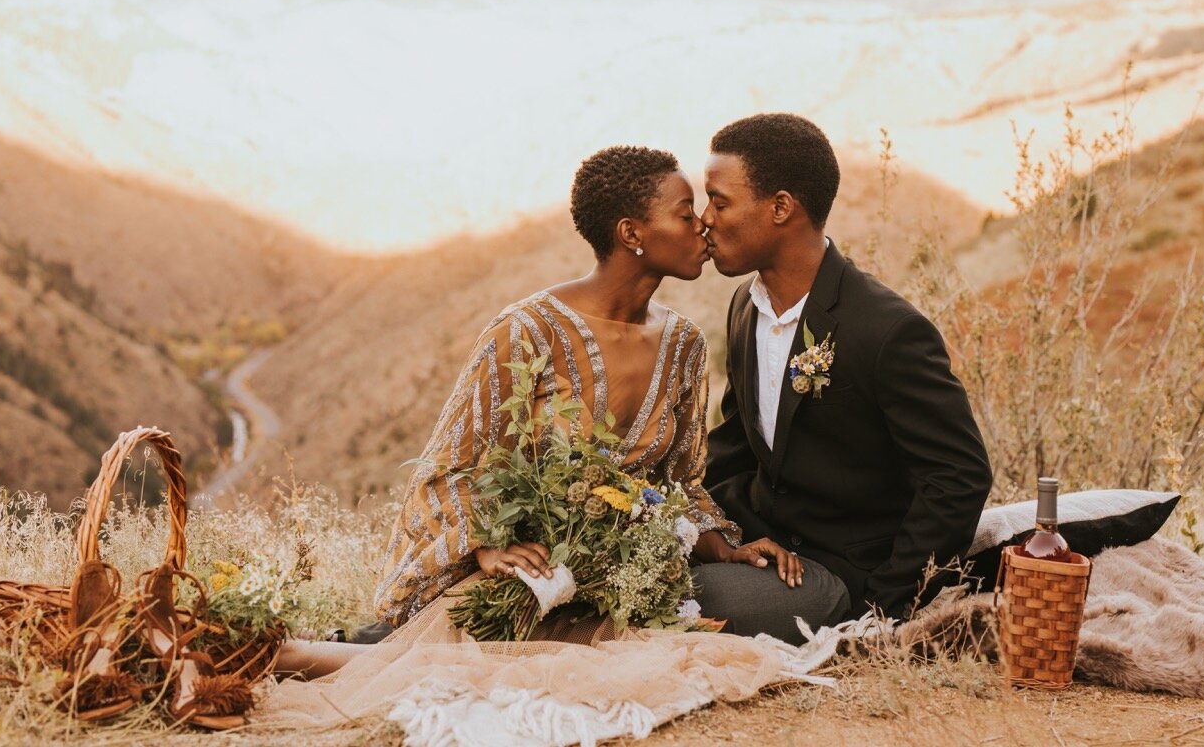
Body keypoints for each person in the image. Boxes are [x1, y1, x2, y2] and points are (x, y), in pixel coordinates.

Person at [275, 145, 797, 677]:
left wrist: (720, 546)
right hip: (524, 571)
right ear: (631, 234)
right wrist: (488, 547)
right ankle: (299, 655)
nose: (705, 225)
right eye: (686, 215)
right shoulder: (527, 331)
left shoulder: (684, 343)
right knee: (499, 670)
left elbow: (678, 481)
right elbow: (448, 468)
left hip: (618, 577)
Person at [695, 113, 993, 640]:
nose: (705, 219)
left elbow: (958, 477)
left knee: (703, 599)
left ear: (781, 207)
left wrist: (882, 603)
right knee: (647, 569)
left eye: (720, 203)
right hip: (764, 551)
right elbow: (734, 447)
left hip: (843, 572)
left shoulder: (887, 329)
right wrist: (720, 537)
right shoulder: (745, 306)